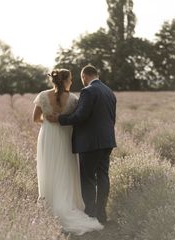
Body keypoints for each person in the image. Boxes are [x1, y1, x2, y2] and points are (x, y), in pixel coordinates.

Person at [32, 68, 104, 235]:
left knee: (48, 169)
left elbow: (35, 119)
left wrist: (49, 120)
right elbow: (77, 120)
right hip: (66, 138)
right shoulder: (72, 99)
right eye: (71, 79)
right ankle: (67, 205)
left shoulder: (43, 95)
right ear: (65, 81)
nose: (72, 82)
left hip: (48, 137)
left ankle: (49, 206)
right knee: (66, 169)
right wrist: (62, 120)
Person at [47, 64, 117, 224]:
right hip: (107, 141)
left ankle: (90, 214)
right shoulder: (109, 91)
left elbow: (80, 116)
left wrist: (60, 119)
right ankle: (102, 214)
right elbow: (112, 118)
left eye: (81, 78)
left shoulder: (88, 91)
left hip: (90, 143)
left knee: (88, 179)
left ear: (85, 76)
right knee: (103, 177)